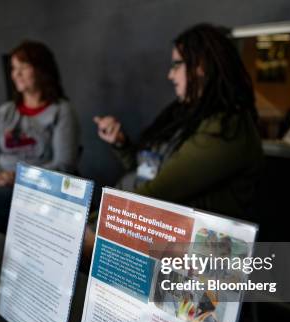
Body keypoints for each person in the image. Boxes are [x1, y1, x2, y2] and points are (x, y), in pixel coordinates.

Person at [84, 23, 262, 257]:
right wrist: (122, 144)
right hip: (144, 231)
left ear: (200, 66)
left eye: (177, 64)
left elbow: (160, 191)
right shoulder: (187, 114)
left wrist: (92, 223)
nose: (170, 74)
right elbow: (149, 172)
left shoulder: (227, 127)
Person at [0, 41, 80, 232]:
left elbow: (65, 164)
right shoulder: (5, 112)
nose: (15, 74)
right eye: (14, 68)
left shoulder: (61, 111)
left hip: (39, 193)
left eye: (23, 67)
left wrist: (18, 178)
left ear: (42, 70)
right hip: (1, 189)